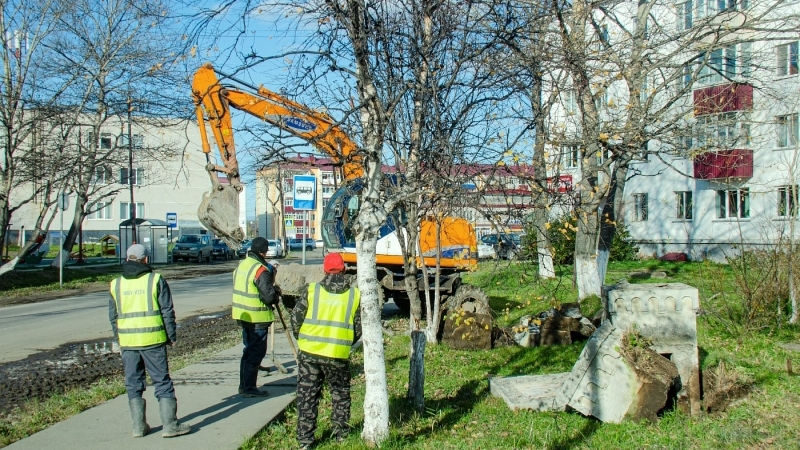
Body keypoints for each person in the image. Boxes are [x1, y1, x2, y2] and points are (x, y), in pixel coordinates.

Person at [109, 244, 191, 438]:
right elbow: (167, 311)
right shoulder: (155, 280)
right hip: (153, 340)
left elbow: (113, 316)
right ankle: (170, 426)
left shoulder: (116, 284)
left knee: (133, 383)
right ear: (146, 259)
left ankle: (138, 427)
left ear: (128, 259)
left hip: (128, 342)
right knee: (162, 381)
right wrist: (171, 336)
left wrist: (118, 339)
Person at [292, 252, 361, 449]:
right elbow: (358, 329)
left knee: (307, 396)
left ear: (324, 270)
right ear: (344, 270)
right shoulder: (354, 295)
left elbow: (296, 319)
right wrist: (343, 342)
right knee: (340, 393)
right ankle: (341, 435)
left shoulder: (312, 291)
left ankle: (305, 441)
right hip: (337, 356)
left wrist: (304, 339)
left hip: (309, 354)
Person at [232, 236, 281, 397]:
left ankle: (243, 385)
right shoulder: (260, 270)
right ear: (263, 253)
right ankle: (249, 388)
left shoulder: (242, 265)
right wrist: (276, 294)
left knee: (248, 351)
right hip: (256, 317)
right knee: (255, 352)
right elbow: (268, 297)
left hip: (242, 314)